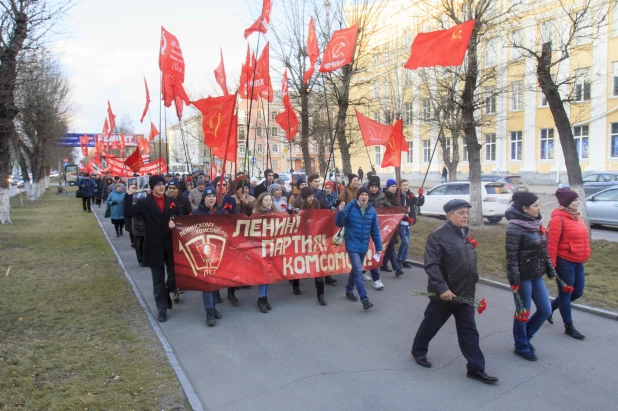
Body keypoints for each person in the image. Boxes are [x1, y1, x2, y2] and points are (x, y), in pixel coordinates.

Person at [411, 199, 498, 385]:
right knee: (431, 324)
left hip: (465, 294)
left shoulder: (467, 234)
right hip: (446, 295)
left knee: (469, 332)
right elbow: (432, 265)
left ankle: (476, 368)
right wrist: (442, 288)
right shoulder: (438, 236)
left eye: (466, 212)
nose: (465, 216)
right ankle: (418, 350)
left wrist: (472, 282)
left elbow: (468, 261)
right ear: (449, 215)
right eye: (460, 212)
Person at [505, 192, 556, 361]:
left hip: (536, 274)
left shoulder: (535, 224)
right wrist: (515, 281)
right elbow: (511, 257)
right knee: (523, 311)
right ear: (524, 209)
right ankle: (521, 346)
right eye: (535, 206)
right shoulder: (514, 228)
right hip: (522, 277)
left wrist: (551, 270)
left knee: (545, 309)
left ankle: (525, 337)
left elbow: (543, 250)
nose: (539, 209)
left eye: (539, 205)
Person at [126, 176, 182, 323]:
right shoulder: (144, 203)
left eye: (163, 184)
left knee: (174, 278)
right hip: (153, 245)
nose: (161, 187)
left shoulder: (172, 202)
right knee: (158, 280)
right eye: (158, 184)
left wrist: (175, 224)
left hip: (170, 246)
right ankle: (162, 309)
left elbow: (181, 221)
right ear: (152, 187)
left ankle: (167, 292)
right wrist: (129, 195)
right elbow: (128, 213)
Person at [546, 188, 591, 340]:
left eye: (577, 200)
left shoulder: (576, 216)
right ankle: (569, 327)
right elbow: (552, 245)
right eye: (575, 200)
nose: (578, 202)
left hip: (578, 261)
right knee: (566, 294)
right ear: (566, 203)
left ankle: (550, 308)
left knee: (577, 292)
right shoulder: (558, 219)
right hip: (564, 262)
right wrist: (551, 268)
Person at [335, 186, 382, 310]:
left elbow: (375, 231)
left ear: (368, 197)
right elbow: (339, 223)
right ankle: (364, 299)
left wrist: (379, 247)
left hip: (363, 246)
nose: (364, 197)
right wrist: (340, 211)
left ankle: (349, 290)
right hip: (352, 244)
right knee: (358, 271)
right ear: (358, 196)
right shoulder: (351, 207)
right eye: (362, 195)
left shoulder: (372, 211)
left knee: (355, 270)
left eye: (366, 195)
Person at [191, 186, 227, 326]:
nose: (211, 199)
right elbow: (185, 227)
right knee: (206, 283)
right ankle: (209, 311)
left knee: (215, 281)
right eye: (208, 196)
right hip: (203, 252)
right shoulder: (196, 214)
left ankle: (213, 307)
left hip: (218, 251)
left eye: (213, 196)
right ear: (204, 198)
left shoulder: (221, 212)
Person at [252, 192, 276, 313]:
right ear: (261, 202)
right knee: (263, 274)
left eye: (270, 200)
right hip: (260, 248)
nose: (268, 202)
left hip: (270, 247)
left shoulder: (274, 213)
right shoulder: (257, 215)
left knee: (268, 274)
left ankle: (265, 297)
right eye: (266, 200)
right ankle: (261, 299)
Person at [363, 176, 386, 290]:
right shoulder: (364, 197)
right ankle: (362, 271)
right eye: (371, 186)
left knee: (373, 253)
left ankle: (376, 279)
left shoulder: (382, 195)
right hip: (364, 230)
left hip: (377, 229)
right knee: (364, 253)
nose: (374, 189)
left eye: (376, 186)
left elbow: (387, 206)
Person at [396, 180, 425, 269]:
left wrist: (420, 195)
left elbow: (419, 203)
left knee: (407, 243)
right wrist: (406, 217)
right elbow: (397, 209)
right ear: (400, 186)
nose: (406, 187)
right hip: (401, 222)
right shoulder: (398, 196)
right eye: (404, 185)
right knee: (405, 241)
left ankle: (404, 260)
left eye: (407, 185)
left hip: (409, 223)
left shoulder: (410, 195)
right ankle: (399, 259)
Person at [381, 179, 404, 277]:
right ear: (388, 187)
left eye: (395, 186)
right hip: (385, 225)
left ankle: (383, 264)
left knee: (388, 246)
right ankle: (397, 267)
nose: (394, 188)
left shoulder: (398, 196)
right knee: (390, 246)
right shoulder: (383, 196)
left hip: (394, 225)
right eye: (392, 186)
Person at [124, 187, 146, 266]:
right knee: (139, 244)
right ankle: (141, 260)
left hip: (147, 226)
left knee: (146, 244)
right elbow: (128, 212)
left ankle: (146, 259)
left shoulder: (148, 196)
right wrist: (129, 194)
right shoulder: (132, 197)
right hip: (138, 225)